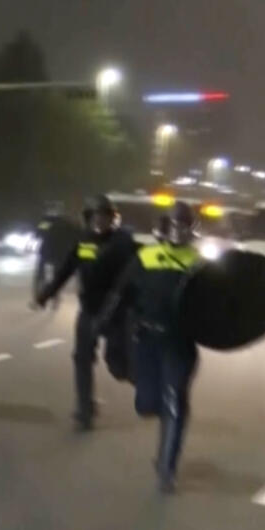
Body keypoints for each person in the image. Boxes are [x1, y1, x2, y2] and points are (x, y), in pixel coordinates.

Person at [102, 202, 203, 493]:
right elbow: (121, 290)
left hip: (179, 344)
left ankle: (167, 467)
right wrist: (104, 320)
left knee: (176, 402)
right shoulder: (146, 256)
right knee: (147, 404)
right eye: (174, 226)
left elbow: (217, 306)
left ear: (191, 230)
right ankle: (163, 421)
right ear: (166, 227)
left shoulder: (198, 263)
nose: (179, 232)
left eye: (184, 226)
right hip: (146, 342)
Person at [33, 194, 138, 430]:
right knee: (81, 358)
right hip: (89, 310)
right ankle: (85, 410)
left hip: (116, 314)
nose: (99, 221)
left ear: (112, 218)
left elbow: (138, 273)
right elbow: (65, 270)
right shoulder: (83, 243)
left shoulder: (123, 243)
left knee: (117, 366)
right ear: (89, 219)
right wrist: (46, 294)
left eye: (104, 217)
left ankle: (147, 384)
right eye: (95, 217)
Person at [32, 201, 76, 311]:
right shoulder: (67, 222)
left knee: (40, 276)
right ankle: (55, 298)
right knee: (57, 277)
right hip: (60, 253)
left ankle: (39, 298)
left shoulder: (46, 221)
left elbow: (38, 234)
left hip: (46, 251)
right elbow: (74, 236)